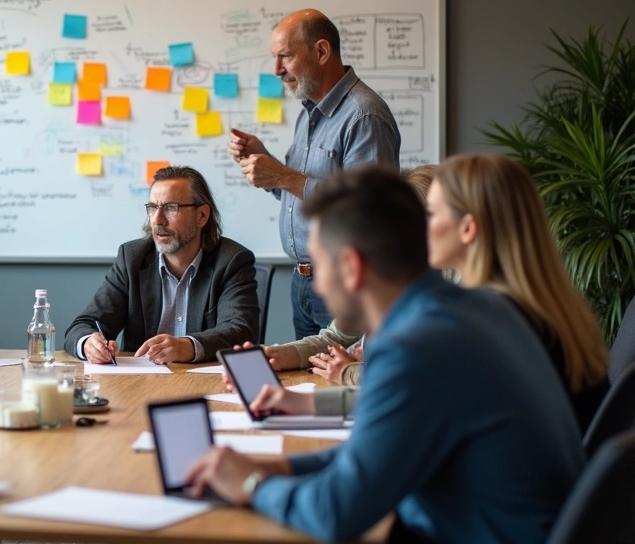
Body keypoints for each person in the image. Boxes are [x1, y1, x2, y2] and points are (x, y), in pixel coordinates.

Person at [185, 167, 583, 544]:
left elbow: (335, 513)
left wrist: (253, 484)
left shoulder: (415, 351)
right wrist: (280, 468)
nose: (317, 286)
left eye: (319, 265)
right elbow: (373, 453)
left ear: (351, 266)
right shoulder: (475, 308)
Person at [252, 156, 611, 428]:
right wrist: (309, 401)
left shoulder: (480, 319)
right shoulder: (531, 305)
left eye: (426, 216)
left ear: (467, 229)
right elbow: (413, 396)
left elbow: (407, 398)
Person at [229, 9, 399, 340]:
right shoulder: (309, 113)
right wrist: (265, 163)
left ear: (321, 51)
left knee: (346, 371)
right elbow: (301, 194)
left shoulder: (364, 116)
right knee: (305, 372)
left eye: (285, 56)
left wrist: (281, 176)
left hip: (345, 283)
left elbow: (368, 209)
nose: (277, 69)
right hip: (303, 283)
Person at [234, 166, 438, 386]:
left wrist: (351, 372)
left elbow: (405, 378)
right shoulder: (399, 289)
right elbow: (335, 338)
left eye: (323, 264)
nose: (318, 287)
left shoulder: (434, 313)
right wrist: (280, 354)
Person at [63, 166, 258, 365]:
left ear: (202, 215)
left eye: (171, 208)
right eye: (152, 208)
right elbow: (83, 325)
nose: (158, 220)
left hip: (203, 380)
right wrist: (88, 343)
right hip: (142, 380)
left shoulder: (231, 260)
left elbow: (240, 331)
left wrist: (187, 346)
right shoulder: (132, 258)